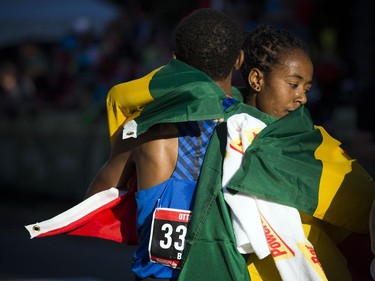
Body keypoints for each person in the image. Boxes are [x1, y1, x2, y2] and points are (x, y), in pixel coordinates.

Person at [25, 8, 244, 281]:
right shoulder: (258, 131)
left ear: (173, 64)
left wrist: (125, 158)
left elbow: (95, 199)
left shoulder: (150, 134)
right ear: (239, 60)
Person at [178, 25, 375, 281]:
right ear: (257, 80)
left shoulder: (310, 139)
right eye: (293, 84)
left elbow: (361, 200)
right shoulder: (215, 126)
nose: (301, 97)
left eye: (306, 88)